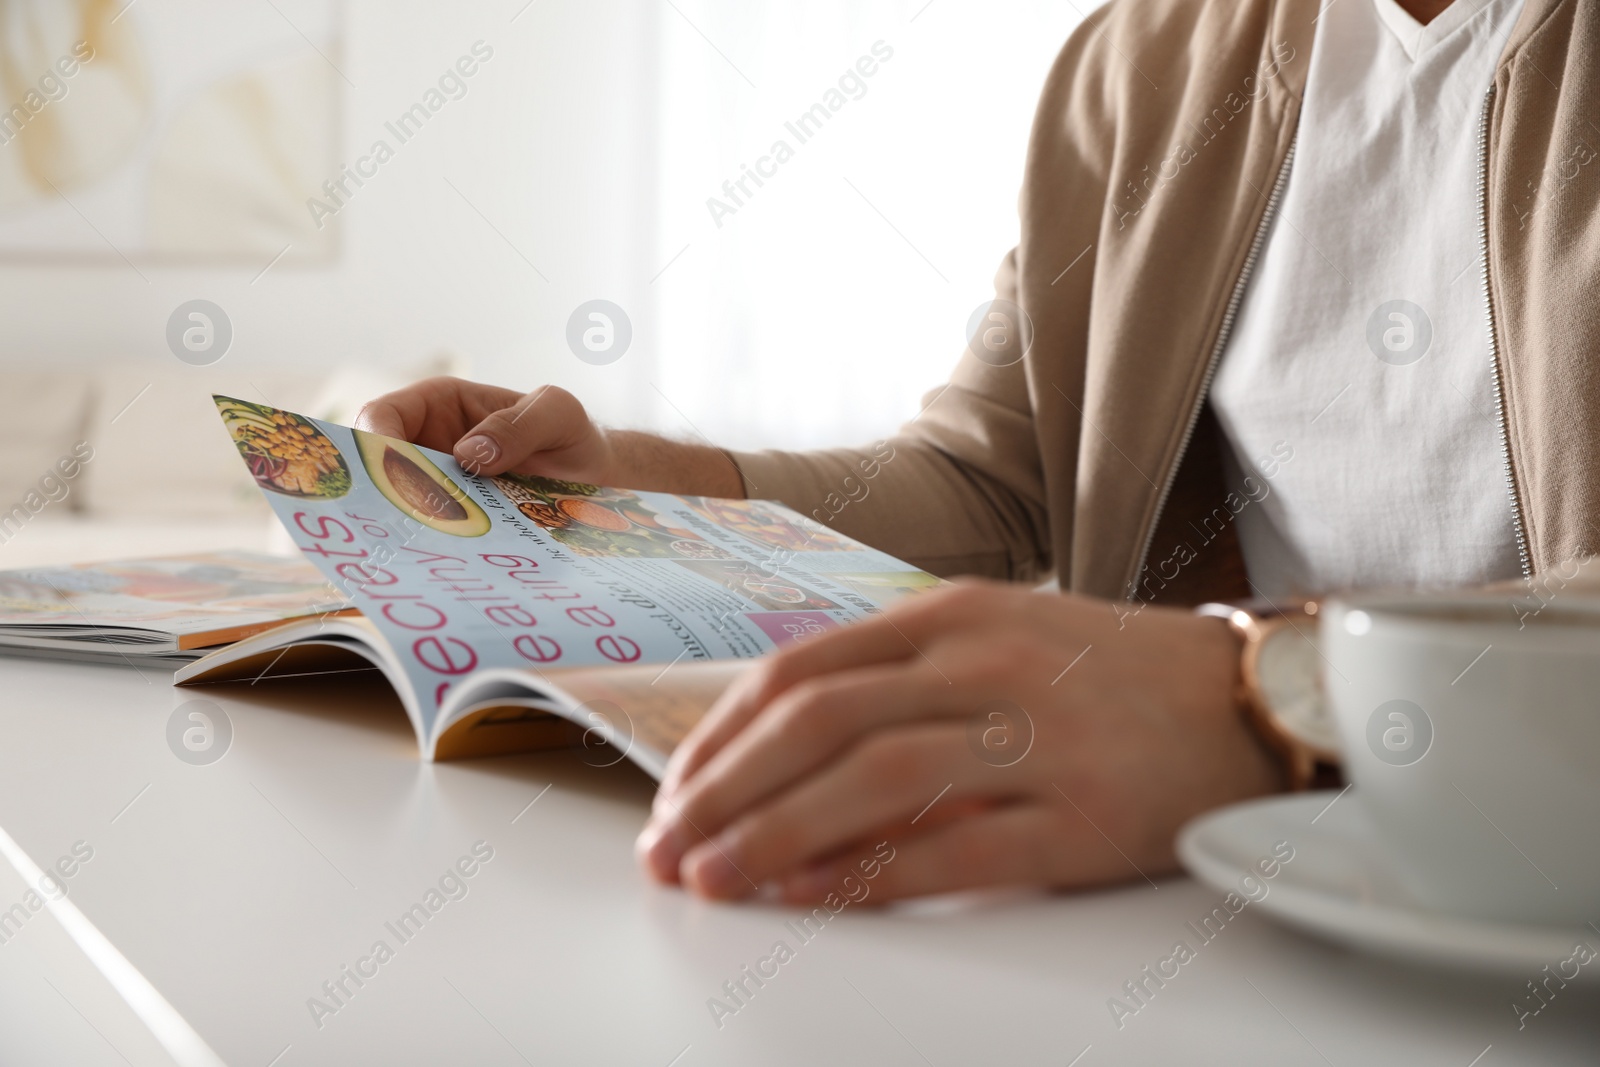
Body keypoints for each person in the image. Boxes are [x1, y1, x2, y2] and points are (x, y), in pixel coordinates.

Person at [358, 0, 1598, 904]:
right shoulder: (1142, 65)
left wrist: (1255, 690)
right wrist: (656, 486)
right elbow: (989, 480)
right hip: (1239, 894)